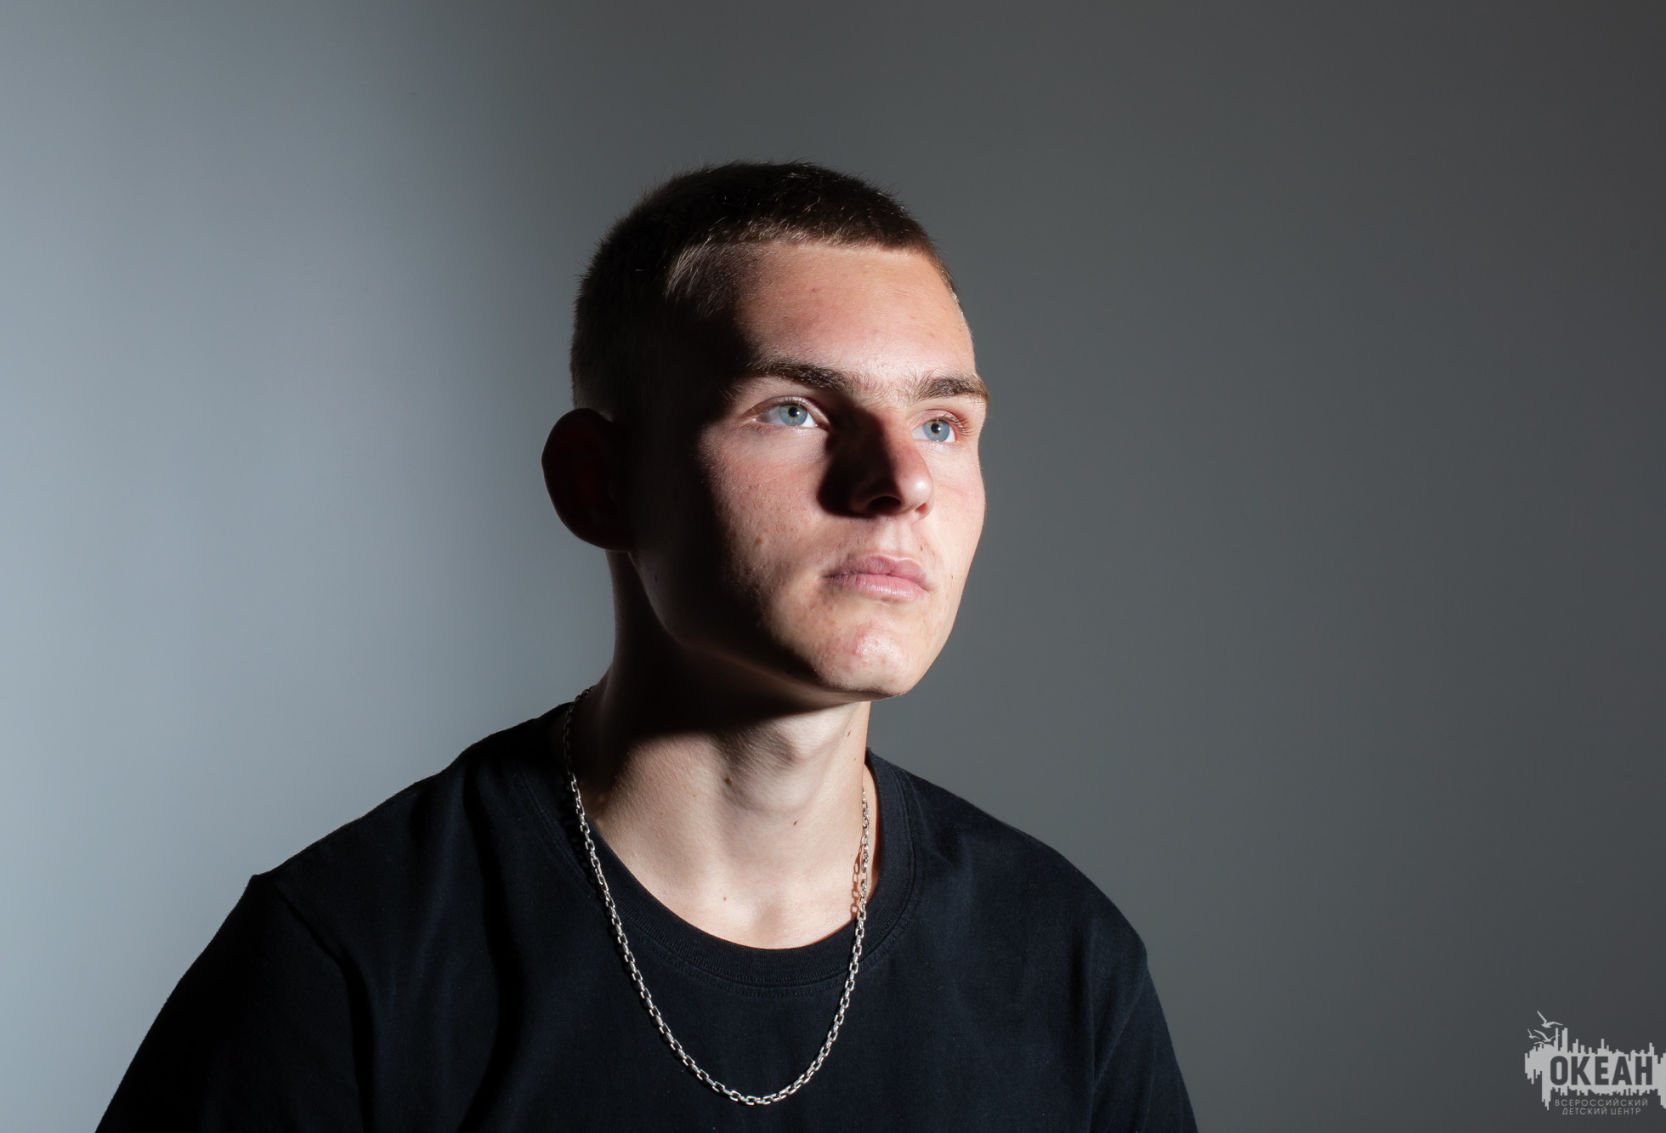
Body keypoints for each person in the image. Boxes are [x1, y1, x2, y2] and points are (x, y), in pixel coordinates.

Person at [99, 161, 1197, 1130]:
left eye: (942, 424)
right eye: (795, 410)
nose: (902, 481)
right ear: (598, 484)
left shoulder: (1064, 961)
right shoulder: (348, 961)